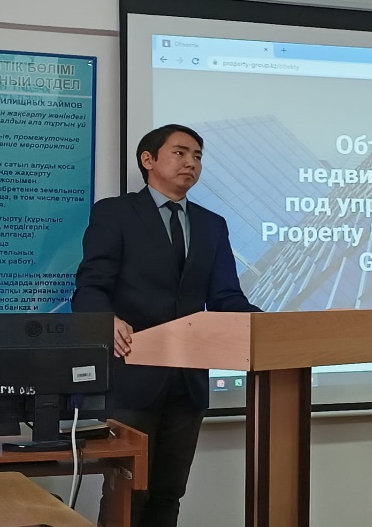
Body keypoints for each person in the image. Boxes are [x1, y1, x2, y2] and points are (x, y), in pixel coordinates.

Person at [72, 124, 261, 527]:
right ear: (148, 159)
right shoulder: (116, 213)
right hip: (132, 375)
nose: (191, 162)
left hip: (188, 381)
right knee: (129, 491)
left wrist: (269, 325)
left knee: (168, 492)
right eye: (180, 153)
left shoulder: (211, 224)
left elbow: (226, 298)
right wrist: (105, 320)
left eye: (198, 156)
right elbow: (90, 287)